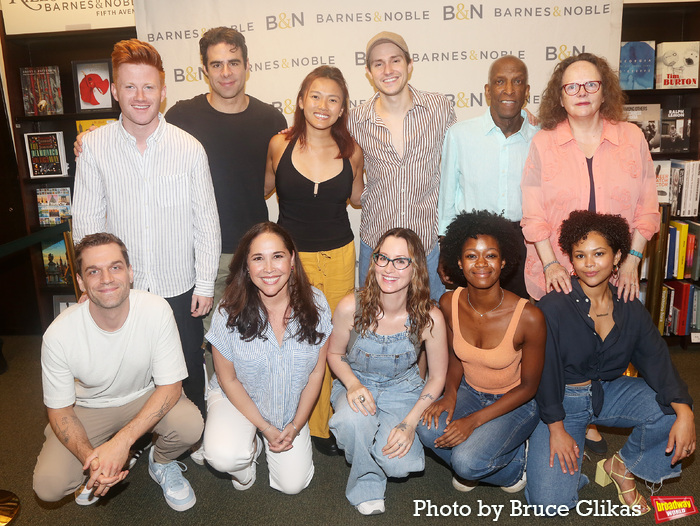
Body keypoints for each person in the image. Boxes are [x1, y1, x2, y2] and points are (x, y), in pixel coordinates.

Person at [72, 39, 221, 423]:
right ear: (114, 91)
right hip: (120, 290)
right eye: (130, 87)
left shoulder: (189, 149)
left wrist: (204, 283)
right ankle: (135, 441)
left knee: (187, 368)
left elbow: (205, 222)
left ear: (163, 91)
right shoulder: (94, 148)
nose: (140, 97)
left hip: (179, 287)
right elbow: (87, 225)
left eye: (149, 87)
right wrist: (91, 285)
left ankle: (189, 441)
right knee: (128, 373)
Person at [525, 210, 695, 515]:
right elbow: (545, 375)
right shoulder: (553, 306)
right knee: (549, 505)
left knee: (673, 408)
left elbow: (657, 360)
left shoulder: (630, 306)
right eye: (580, 255)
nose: (589, 263)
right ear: (572, 261)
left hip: (607, 393)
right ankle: (529, 455)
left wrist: (685, 415)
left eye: (599, 253)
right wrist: (556, 429)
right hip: (560, 404)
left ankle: (621, 465)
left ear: (618, 256)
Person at [33, 233, 204, 511]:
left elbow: (171, 387)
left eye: (115, 267)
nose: (107, 278)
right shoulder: (58, 334)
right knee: (49, 486)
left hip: (144, 395)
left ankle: (160, 462)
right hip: (89, 408)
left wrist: (121, 442)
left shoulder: (156, 309)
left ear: (130, 272)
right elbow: (60, 411)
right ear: (80, 282)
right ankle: (101, 464)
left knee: (189, 425)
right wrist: (94, 460)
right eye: (93, 271)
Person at [264, 66, 364, 455]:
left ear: (342, 109)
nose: (323, 105)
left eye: (333, 99)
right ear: (301, 101)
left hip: (340, 255)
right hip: (292, 263)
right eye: (316, 96)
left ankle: (324, 426)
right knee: (296, 341)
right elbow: (263, 186)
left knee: (333, 343)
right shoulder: (279, 144)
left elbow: (357, 198)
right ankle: (291, 418)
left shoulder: (353, 151)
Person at [165, 28, 287, 332]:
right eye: (216, 64)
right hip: (199, 255)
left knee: (255, 339)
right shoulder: (181, 117)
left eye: (233, 62)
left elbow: (271, 182)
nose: (226, 72)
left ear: (247, 65)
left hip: (253, 254)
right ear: (204, 70)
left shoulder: (271, 120)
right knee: (206, 342)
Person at [418, 210, 545, 492]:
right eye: (471, 256)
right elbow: (455, 358)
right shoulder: (450, 302)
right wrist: (449, 395)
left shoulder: (529, 316)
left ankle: (514, 467)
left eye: (490, 255)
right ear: (460, 263)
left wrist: (471, 423)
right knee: (425, 429)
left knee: (466, 463)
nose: (481, 263)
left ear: (503, 261)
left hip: (516, 401)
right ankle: (485, 456)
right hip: (470, 391)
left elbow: (529, 388)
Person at [202, 222, 331, 494]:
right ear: (247, 266)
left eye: (278, 256)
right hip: (237, 400)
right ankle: (246, 455)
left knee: (292, 486)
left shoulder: (317, 305)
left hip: (287, 410)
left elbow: (317, 373)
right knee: (223, 456)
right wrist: (264, 426)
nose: (269, 268)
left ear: (292, 259)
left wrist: (295, 426)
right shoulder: (228, 312)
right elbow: (228, 379)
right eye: (258, 258)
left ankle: (257, 441)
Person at [521, 52, 659, 304]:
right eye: (572, 87)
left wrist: (631, 261)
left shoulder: (633, 137)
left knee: (615, 341)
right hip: (557, 275)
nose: (582, 93)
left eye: (591, 85)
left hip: (617, 275)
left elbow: (648, 209)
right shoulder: (543, 143)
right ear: (560, 98)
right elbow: (533, 215)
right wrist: (551, 264)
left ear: (604, 93)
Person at [327, 228, 448, 515]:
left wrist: (408, 424)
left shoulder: (430, 317)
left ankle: (376, 443)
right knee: (351, 423)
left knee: (400, 465)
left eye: (400, 261)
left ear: (415, 267)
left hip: (403, 389)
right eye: (382, 258)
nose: (388, 268)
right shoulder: (350, 306)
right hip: (356, 381)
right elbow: (334, 353)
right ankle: (366, 482)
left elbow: (438, 377)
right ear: (373, 262)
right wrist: (353, 385)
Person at [350, 31, 456, 301]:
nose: (388, 70)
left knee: (429, 327)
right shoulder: (355, 119)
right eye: (378, 63)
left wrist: (523, 117)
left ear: (409, 65)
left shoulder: (439, 108)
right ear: (369, 72)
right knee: (372, 327)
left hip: (426, 246)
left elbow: (462, 160)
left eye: (395, 60)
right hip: (375, 245)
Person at [438, 56, 537, 298]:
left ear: (527, 91)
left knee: (517, 319)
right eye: (500, 81)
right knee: (472, 323)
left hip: (525, 244)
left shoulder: (540, 139)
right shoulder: (460, 135)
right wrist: (447, 250)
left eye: (518, 82)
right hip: (472, 243)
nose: (509, 90)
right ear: (487, 90)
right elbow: (447, 196)